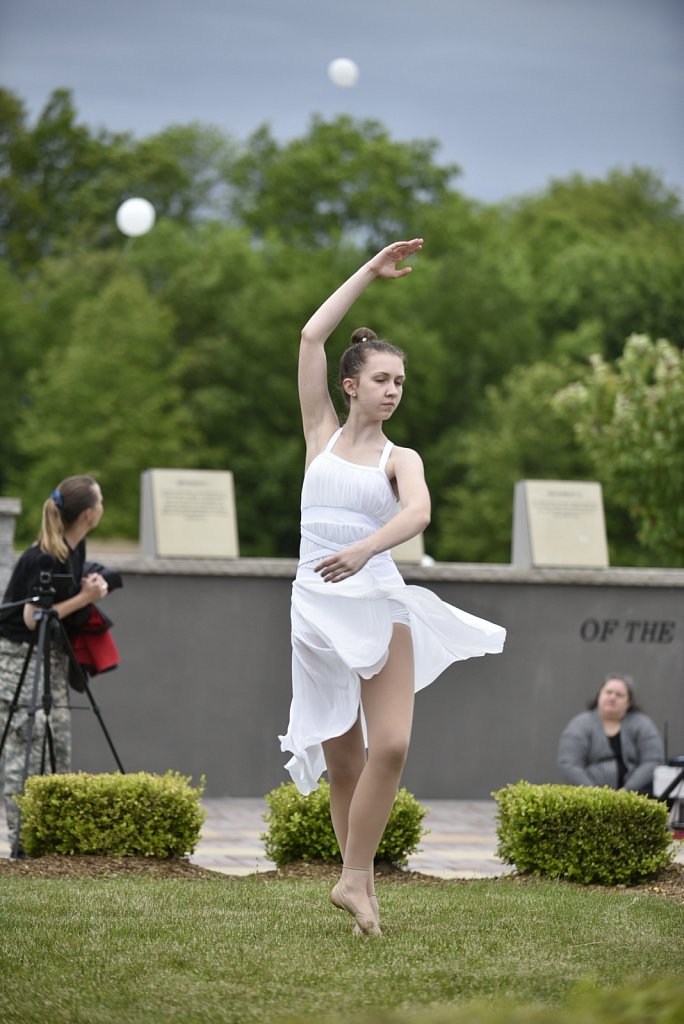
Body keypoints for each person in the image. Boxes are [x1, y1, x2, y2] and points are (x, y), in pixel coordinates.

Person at [278, 239, 506, 937]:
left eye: (400, 383)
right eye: (382, 379)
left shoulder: (399, 457)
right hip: (315, 606)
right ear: (352, 385)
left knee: (394, 746)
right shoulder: (319, 433)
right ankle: (361, 888)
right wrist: (370, 273)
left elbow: (418, 514)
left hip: (378, 596)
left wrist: (367, 548)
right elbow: (313, 334)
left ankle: (352, 876)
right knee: (344, 758)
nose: (393, 391)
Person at [0, 475, 110, 858]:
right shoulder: (43, 556)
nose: (103, 506)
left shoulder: (73, 549)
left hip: (51, 659)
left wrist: (91, 584)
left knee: (56, 751)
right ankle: (21, 843)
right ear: (89, 513)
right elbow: (33, 618)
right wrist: (86, 597)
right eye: (100, 500)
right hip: (19, 661)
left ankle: (49, 843)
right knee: (23, 753)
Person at [557, 674, 664, 795]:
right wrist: (594, 794)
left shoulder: (643, 724)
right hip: (589, 797)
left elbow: (653, 760)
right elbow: (569, 764)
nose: (612, 697)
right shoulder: (579, 725)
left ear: (628, 702)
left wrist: (627, 790)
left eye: (619, 695)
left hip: (637, 796)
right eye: (608, 692)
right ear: (599, 696)